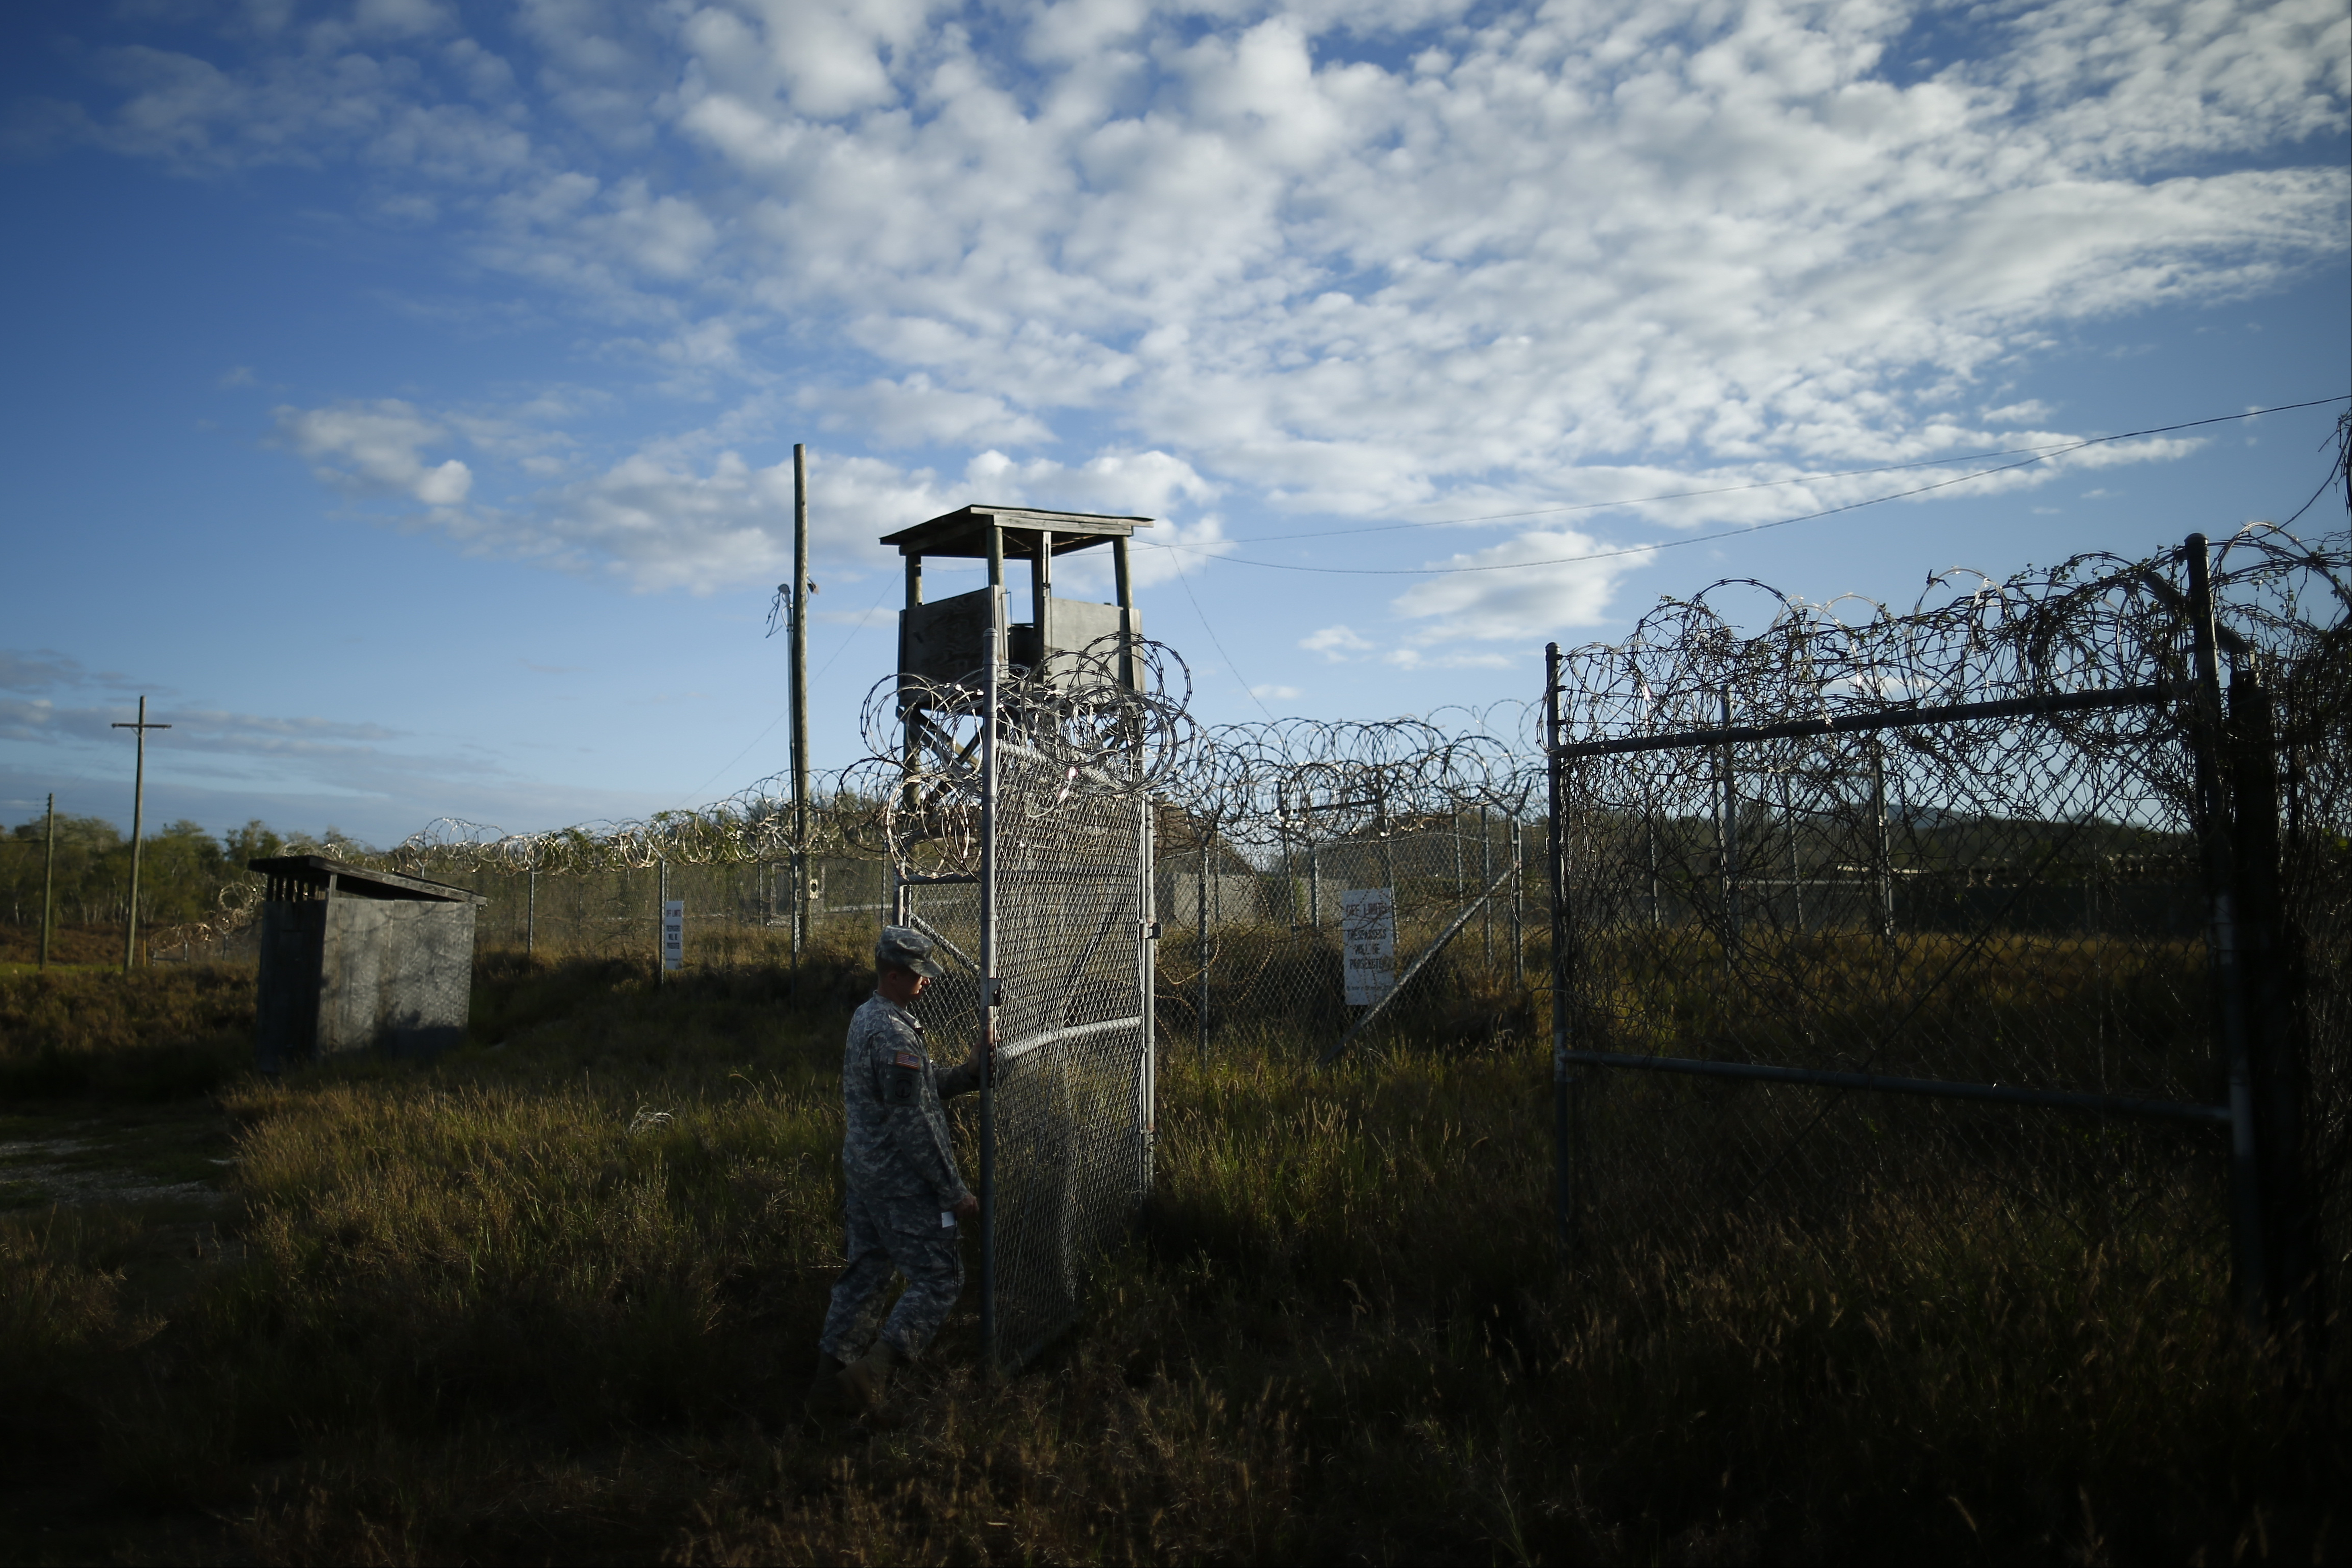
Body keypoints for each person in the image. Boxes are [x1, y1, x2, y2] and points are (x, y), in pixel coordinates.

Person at [807, 925, 982, 1417]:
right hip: (898, 1180)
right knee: (940, 1277)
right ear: (892, 973)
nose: (926, 982)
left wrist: (967, 1076)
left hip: (865, 1172)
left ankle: (824, 1397)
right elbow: (915, 1123)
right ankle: (869, 1377)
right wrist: (952, 1191)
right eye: (917, 975)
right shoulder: (892, 1032)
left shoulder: (870, 1017)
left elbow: (918, 1091)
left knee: (864, 1276)